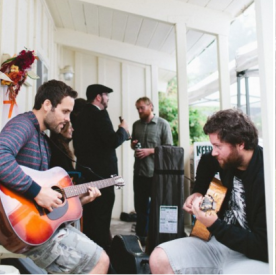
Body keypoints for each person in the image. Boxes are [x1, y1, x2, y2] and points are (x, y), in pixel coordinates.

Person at [0, 80, 109, 273]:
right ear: (47, 105)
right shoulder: (24, 124)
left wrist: (77, 202)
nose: (68, 119)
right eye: (65, 112)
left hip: (34, 225)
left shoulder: (43, 138)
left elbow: (41, 202)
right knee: (100, 260)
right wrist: (36, 191)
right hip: (19, 228)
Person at [149, 109, 268, 274]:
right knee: (159, 258)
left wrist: (213, 224)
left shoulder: (265, 178)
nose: (213, 152)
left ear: (240, 143)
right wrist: (198, 192)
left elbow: (263, 246)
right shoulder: (226, 160)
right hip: (218, 244)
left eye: (218, 146)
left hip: (253, 255)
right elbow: (206, 161)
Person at [73, 84, 130, 251]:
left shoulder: (81, 115)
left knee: (90, 214)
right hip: (102, 176)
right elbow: (111, 141)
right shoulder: (99, 114)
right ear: (98, 97)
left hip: (86, 172)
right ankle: (103, 250)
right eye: (106, 95)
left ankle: (90, 248)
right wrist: (123, 130)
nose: (108, 98)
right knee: (102, 213)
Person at [130, 97, 173, 243]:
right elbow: (133, 145)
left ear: (151, 106)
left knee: (157, 206)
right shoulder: (136, 125)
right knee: (140, 207)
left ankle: (156, 237)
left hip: (156, 173)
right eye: (137, 109)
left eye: (142, 108)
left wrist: (149, 151)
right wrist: (133, 144)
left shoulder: (163, 124)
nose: (139, 111)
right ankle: (141, 236)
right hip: (139, 172)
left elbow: (169, 149)